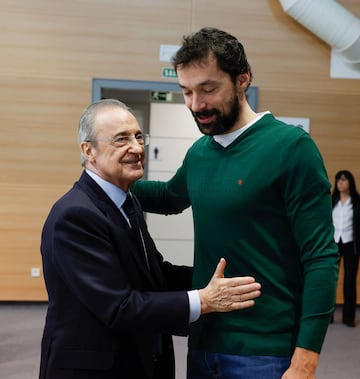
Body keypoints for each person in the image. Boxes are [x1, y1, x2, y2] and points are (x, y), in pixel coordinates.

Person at [131, 27, 339, 379]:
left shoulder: (291, 148)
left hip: (266, 352)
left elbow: (321, 258)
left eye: (208, 89)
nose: (196, 105)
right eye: (187, 92)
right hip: (204, 341)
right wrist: (109, 179)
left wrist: (307, 357)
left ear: (243, 80)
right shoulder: (200, 152)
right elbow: (169, 197)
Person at [39, 99, 261, 379]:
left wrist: (219, 278)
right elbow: (119, 307)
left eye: (138, 136)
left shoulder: (126, 202)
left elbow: (155, 275)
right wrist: (204, 300)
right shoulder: (74, 216)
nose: (136, 147)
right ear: (88, 150)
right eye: (121, 139)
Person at [332, 170, 360, 327]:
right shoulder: (332, 200)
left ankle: (348, 318)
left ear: (350, 181)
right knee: (331, 279)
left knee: (350, 280)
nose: (340, 183)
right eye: (338, 180)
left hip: (351, 244)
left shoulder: (357, 201)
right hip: (334, 243)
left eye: (343, 180)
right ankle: (328, 316)